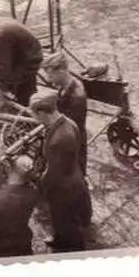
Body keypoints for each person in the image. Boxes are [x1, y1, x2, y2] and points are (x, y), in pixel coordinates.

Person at [29, 89, 92, 253]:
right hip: (73, 175)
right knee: (62, 219)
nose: (33, 118)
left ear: (42, 112)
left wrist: (38, 183)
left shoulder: (60, 139)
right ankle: (60, 238)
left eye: (34, 114)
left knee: (65, 220)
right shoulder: (68, 122)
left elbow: (53, 173)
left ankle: (74, 249)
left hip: (64, 188)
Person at [41, 52, 88, 176]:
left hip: (72, 139)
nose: (48, 79)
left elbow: (68, 126)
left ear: (61, 71)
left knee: (73, 170)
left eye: (50, 75)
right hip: (71, 132)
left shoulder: (76, 97)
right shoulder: (67, 83)